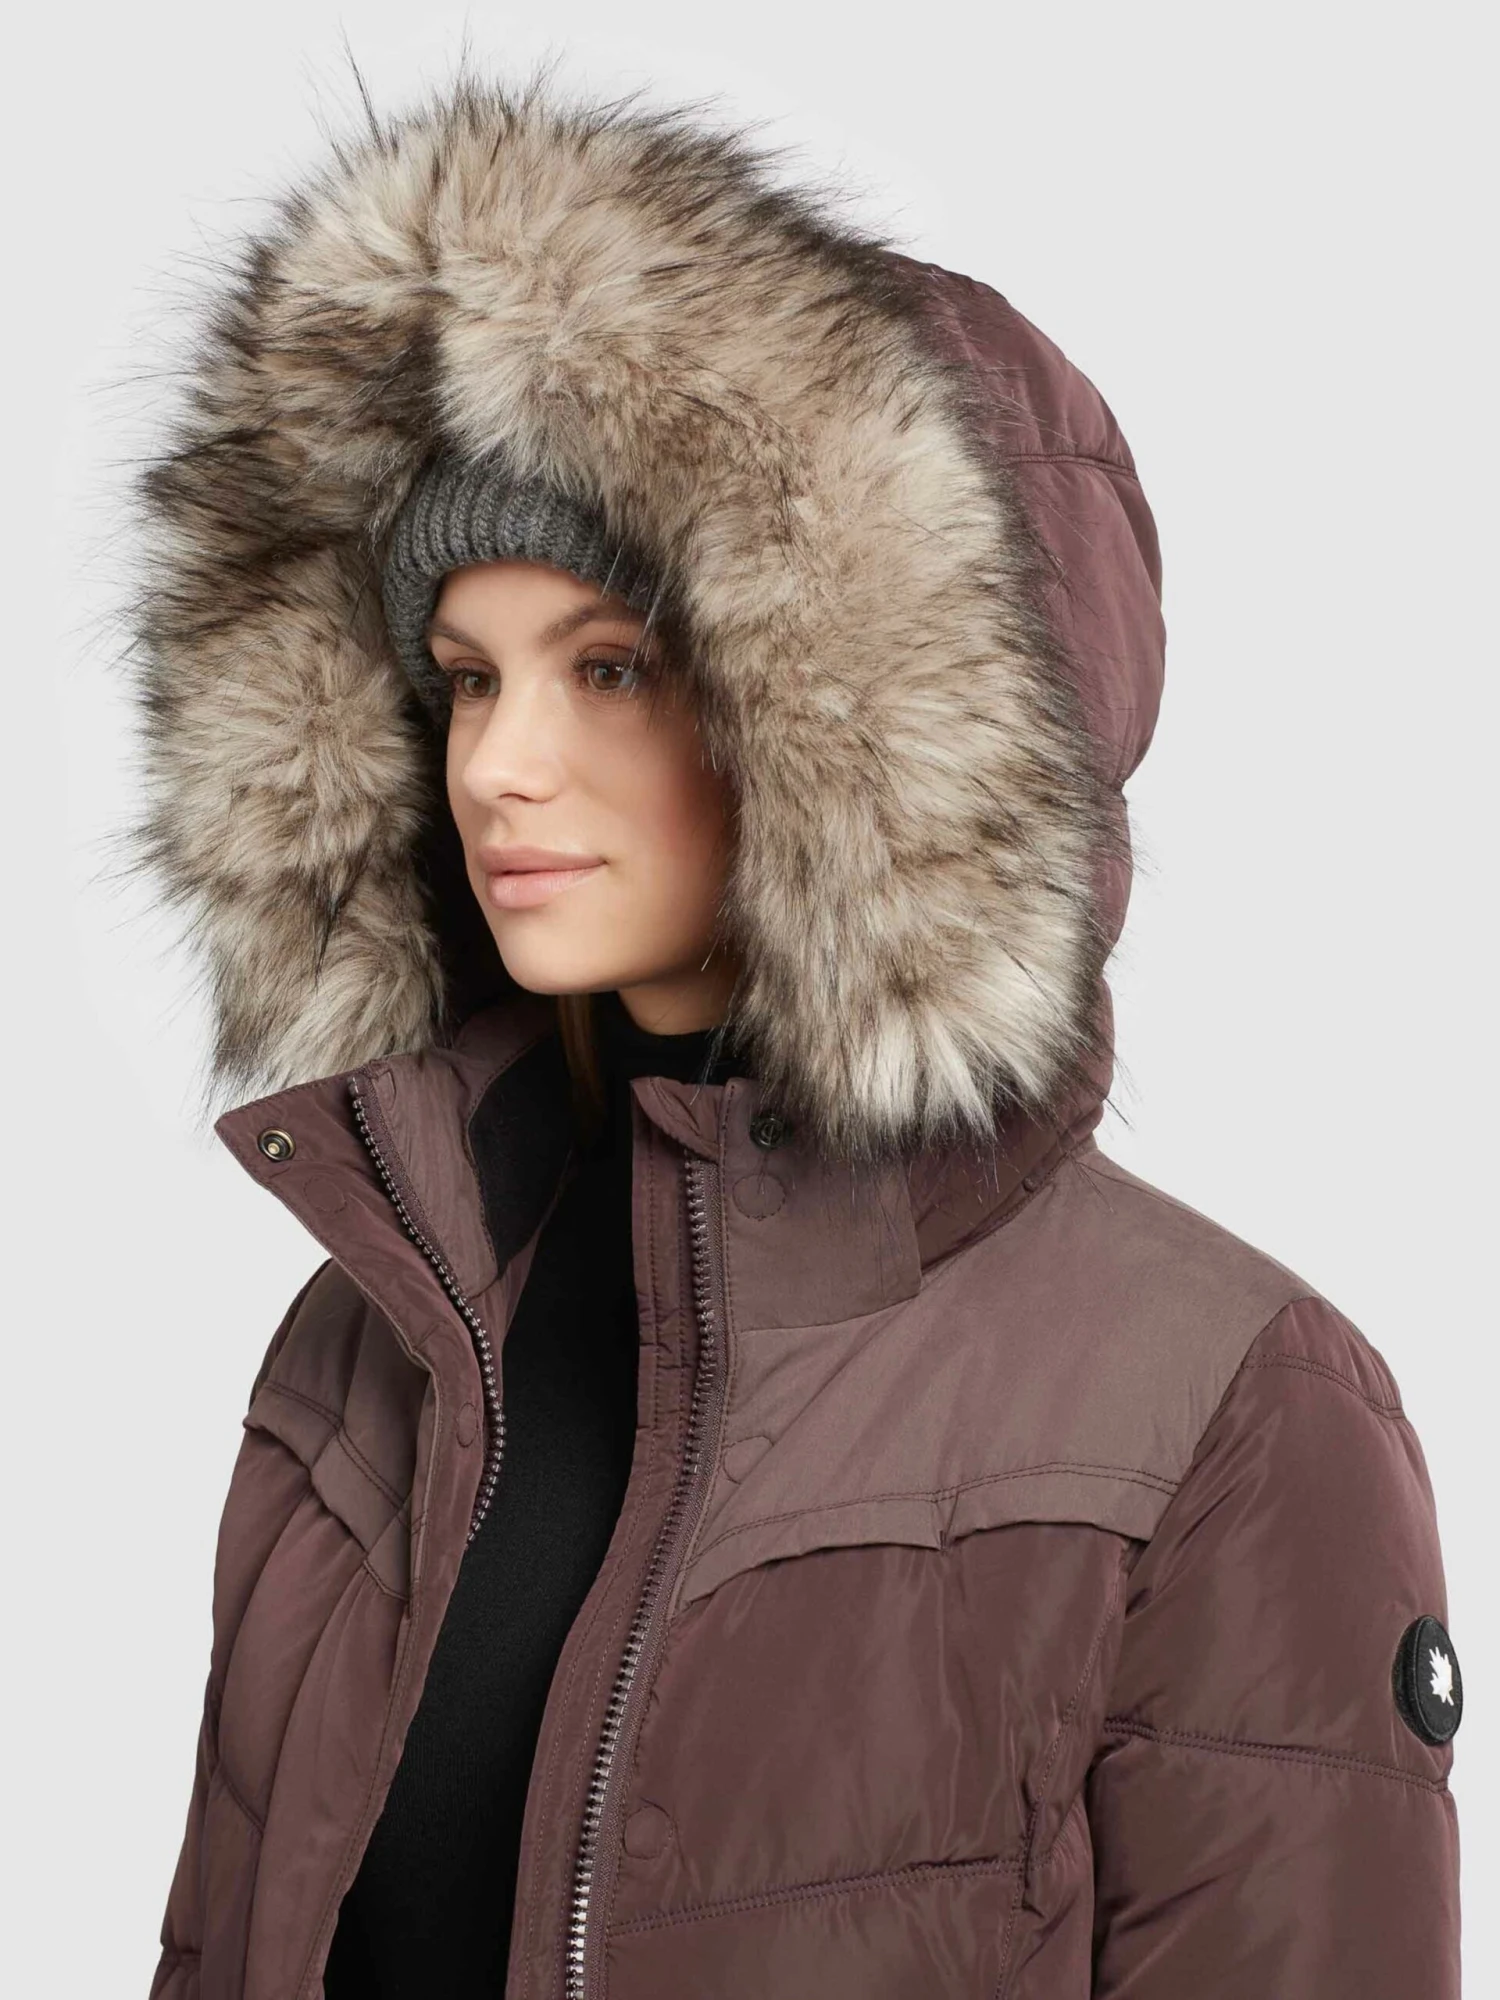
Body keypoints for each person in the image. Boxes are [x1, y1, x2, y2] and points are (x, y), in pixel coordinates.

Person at [132, 67, 1461, 2000]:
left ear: (854, 726)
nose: (497, 766)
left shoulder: (1235, 1416)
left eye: (610, 669)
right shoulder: (375, 1339)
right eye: (465, 678)